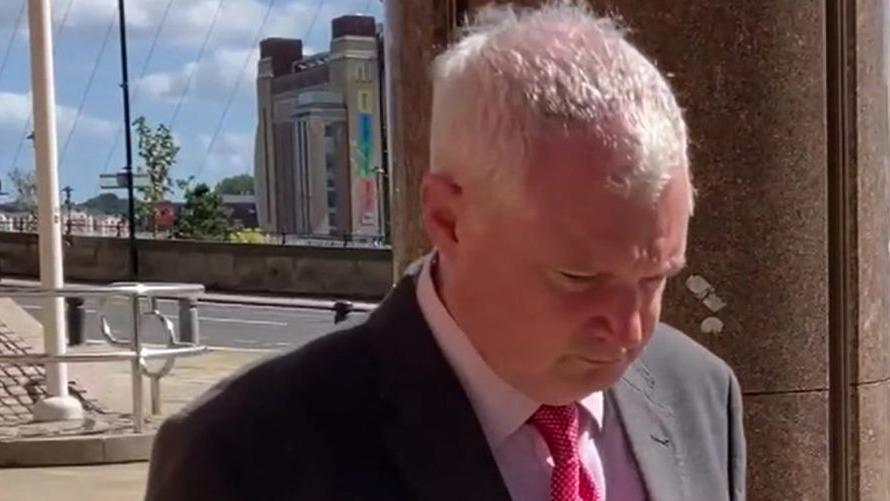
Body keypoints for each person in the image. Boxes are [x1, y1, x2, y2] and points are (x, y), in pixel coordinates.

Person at [144, 2, 746, 500]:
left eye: (654, 278)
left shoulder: (699, 392)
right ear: (448, 218)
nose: (628, 330)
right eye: (579, 276)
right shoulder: (246, 456)